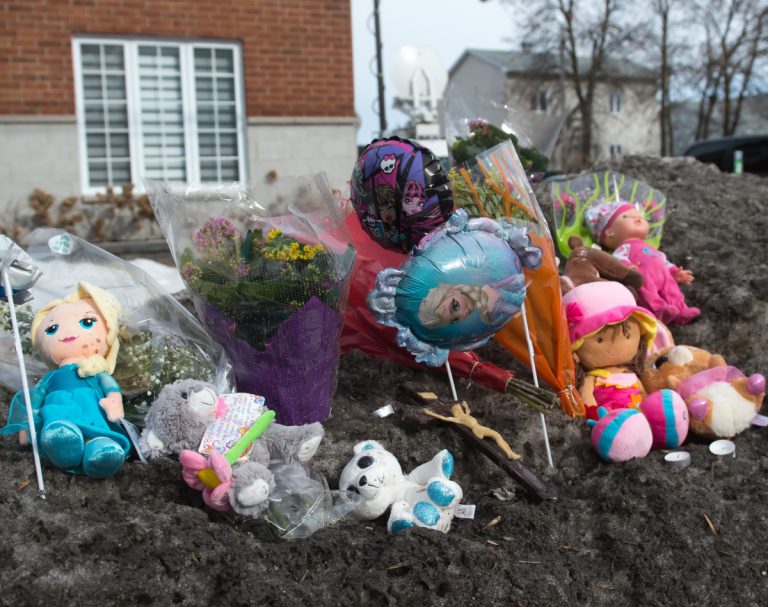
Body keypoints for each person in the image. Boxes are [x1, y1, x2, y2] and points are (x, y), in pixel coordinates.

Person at [1, 282, 130, 478]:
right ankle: (64, 445)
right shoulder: (50, 377)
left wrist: (114, 401)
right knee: (59, 430)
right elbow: (35, 399)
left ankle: (99, 451)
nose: (67, 334)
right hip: (58, 412)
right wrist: (28, 425)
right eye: (51, 329)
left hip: (91, 408)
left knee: (97, 433)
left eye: (87, 323)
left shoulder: (96, 371)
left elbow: (111, 388)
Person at [585, 201, 700, 325]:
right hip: (643, 276)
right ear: (610, 232)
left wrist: (674, 271)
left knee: (672, 290)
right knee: (646, 291)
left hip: (664, 276)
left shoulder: (651, 248)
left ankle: (682, 310)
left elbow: (664, 260)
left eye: (641, 216)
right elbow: (617, 259)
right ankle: (658, 311)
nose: (638, 217)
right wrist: (627, 267)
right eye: (626, 216)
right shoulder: (625, 247)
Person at [564, 281, 658, 421]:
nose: (616, 347)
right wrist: (594, 417)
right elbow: (587, 400)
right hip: (609, 422)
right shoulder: (591, 380)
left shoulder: (633, 374)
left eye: (628, 335)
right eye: (600, 340)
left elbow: (644, 392)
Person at [418, 274, 526, 328]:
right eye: (455, 320)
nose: (463, 313)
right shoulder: (487, 314)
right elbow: (517, 313)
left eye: (455, 306)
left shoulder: (486, 287)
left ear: (452, 291)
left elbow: (517, 278)